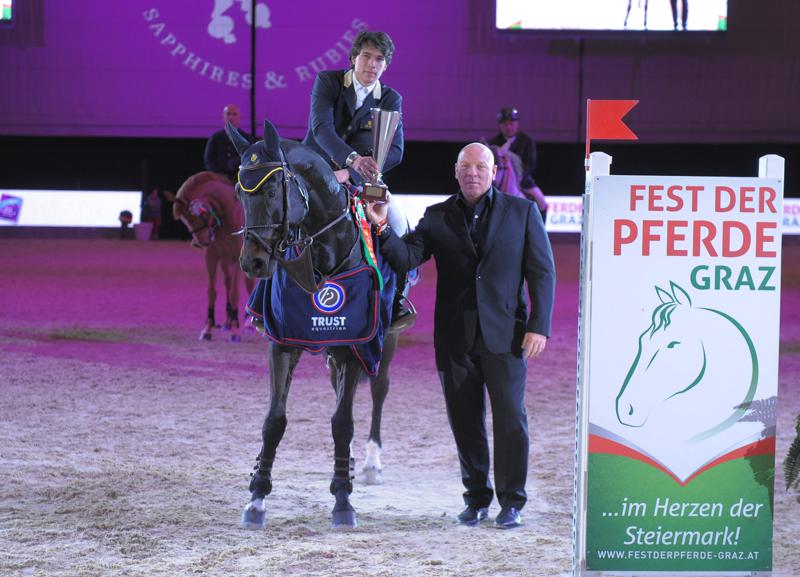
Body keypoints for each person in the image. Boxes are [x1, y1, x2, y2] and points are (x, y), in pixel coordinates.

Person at [365, 143, 556, 529]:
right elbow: (406, 258)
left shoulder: (523, 212)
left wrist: (539, 326)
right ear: (455, 172)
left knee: (510, 421)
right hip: (455, 339)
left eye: (480, 166)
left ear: (493, 171)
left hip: (508, 336)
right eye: (465, 167)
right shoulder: (436, 217)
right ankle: (476, 499)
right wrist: (382, 224)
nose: (473, 173)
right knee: (465, 422)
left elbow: (542, 273)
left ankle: (512, 502)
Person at [303, 30, 414, 325]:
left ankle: (399, 296)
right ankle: (263, 298)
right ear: (353, 58)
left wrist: (354, 171)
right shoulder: (327, 82)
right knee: (283, 216)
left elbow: (396, 151)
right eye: (366, 56)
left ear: (386, 65)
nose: (372, 64)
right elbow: (321, 130)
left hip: (362, 178)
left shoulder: (391, 98)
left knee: (400, 224)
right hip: (317, 172)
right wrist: (348, 161)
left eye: (380, 59)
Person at [487, 107, 548, 219]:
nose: (509, 127)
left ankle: (541, 232)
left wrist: (517, 178)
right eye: (505, 124)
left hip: (523, 181)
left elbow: (530, 164)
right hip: (497, 182)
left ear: (517, 123)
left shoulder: (527, 141)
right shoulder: (493, 143)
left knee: (542, 202)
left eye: (511, 123)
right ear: (500, 125)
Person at [204, 104, 254, 183]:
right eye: (228, 114)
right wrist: (219, 175)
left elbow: (252, 159)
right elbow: (208, 161)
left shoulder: (248, 139)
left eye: (234, 114)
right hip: (219, 181)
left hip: (242, 180)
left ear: (239, 117)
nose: (231, 117)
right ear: (223, 117)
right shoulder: (215, 138)